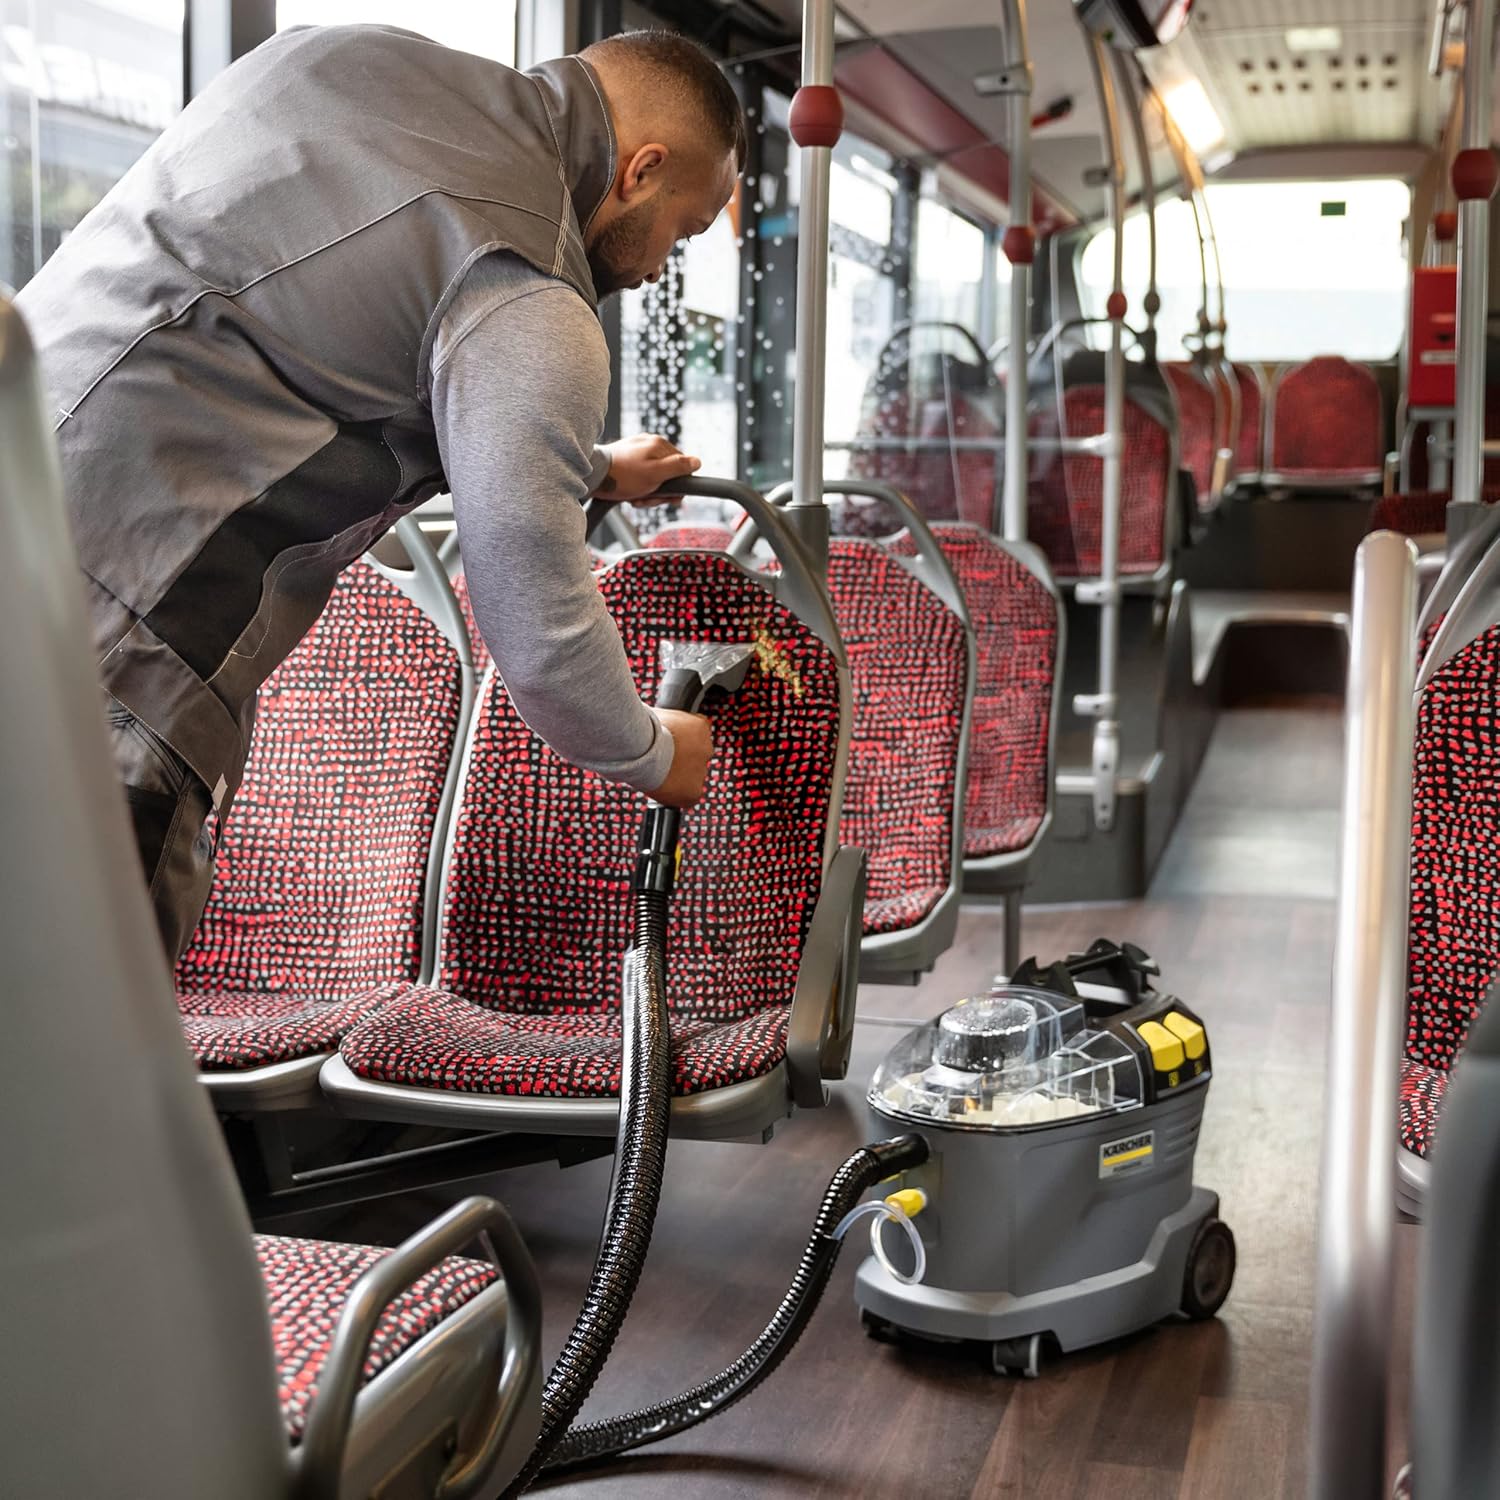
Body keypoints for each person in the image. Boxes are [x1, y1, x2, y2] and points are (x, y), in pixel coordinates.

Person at [18, 24, 746, 962]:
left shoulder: (334, 59)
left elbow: (298, 335)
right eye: (682, 232)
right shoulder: (529, 285)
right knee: (78, 1059)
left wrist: (597, 465)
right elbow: (535, 613)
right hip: (111, 647)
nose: (653, 273)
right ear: (641, 171)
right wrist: (651, 750)